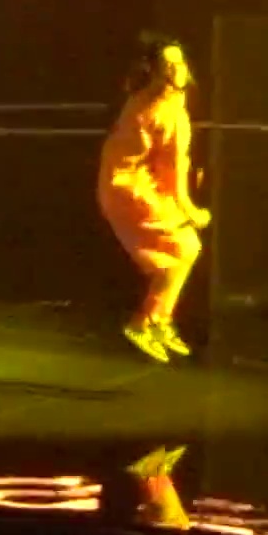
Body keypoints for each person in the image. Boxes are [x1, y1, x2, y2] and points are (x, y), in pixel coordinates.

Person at [98, 34, 209, 363]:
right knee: (184, 247)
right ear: (156, 71)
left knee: (186, 249)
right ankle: (145, 323)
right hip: (129, 189)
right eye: (167, 64)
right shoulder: (161, 110)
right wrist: (189, 209)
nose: (177, 69)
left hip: (131, 185)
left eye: (179, 62)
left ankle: (158, 320)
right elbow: (172, 169)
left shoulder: (160, 101)